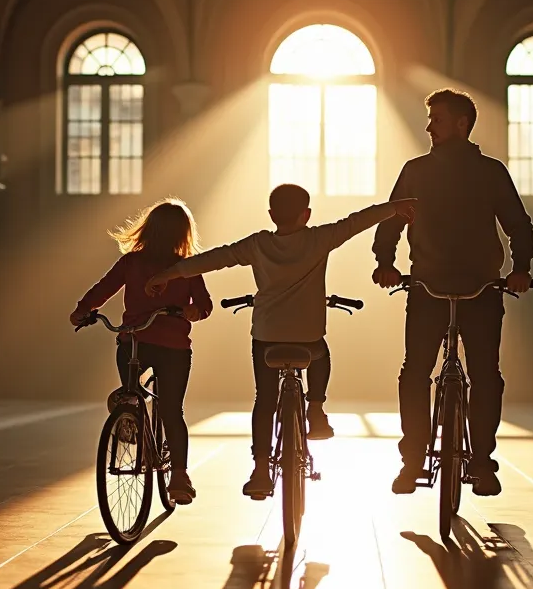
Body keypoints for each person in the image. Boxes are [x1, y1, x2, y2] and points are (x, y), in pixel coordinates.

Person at [146, 184, 417, 498]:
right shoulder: (320, 238)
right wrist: (394, 207)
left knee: (265, 400)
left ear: (272, 214)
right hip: (308, 337)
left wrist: (168, 275)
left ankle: (261, 470)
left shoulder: (257, 245)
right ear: (307, 214)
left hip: (267, 338)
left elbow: (214, 259)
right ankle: (316, 409)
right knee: (320, 351)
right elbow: (358, 221)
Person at [372, 88, 533, 497]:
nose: (429, 126)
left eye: (437, 119)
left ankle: (481, 462)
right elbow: (392, 220)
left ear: (462, 125)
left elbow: (519, 224)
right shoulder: (415, 171)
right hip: (428, 285)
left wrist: (521, 268)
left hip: (481, 288)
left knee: (485, 377)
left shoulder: (491, 172)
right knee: (415, 373)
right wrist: (384, 262)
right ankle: (412, 461)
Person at [69, 199, 212, 506]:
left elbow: (203, 306)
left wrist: (83, 310)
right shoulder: (161, 265)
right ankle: (139, 425)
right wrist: (85, 309)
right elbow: (205, 307)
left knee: (162, 406)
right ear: (183, 233)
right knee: (171, 410)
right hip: (157, 346)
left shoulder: (180, 267)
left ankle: (171, 465)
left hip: (140, 342)